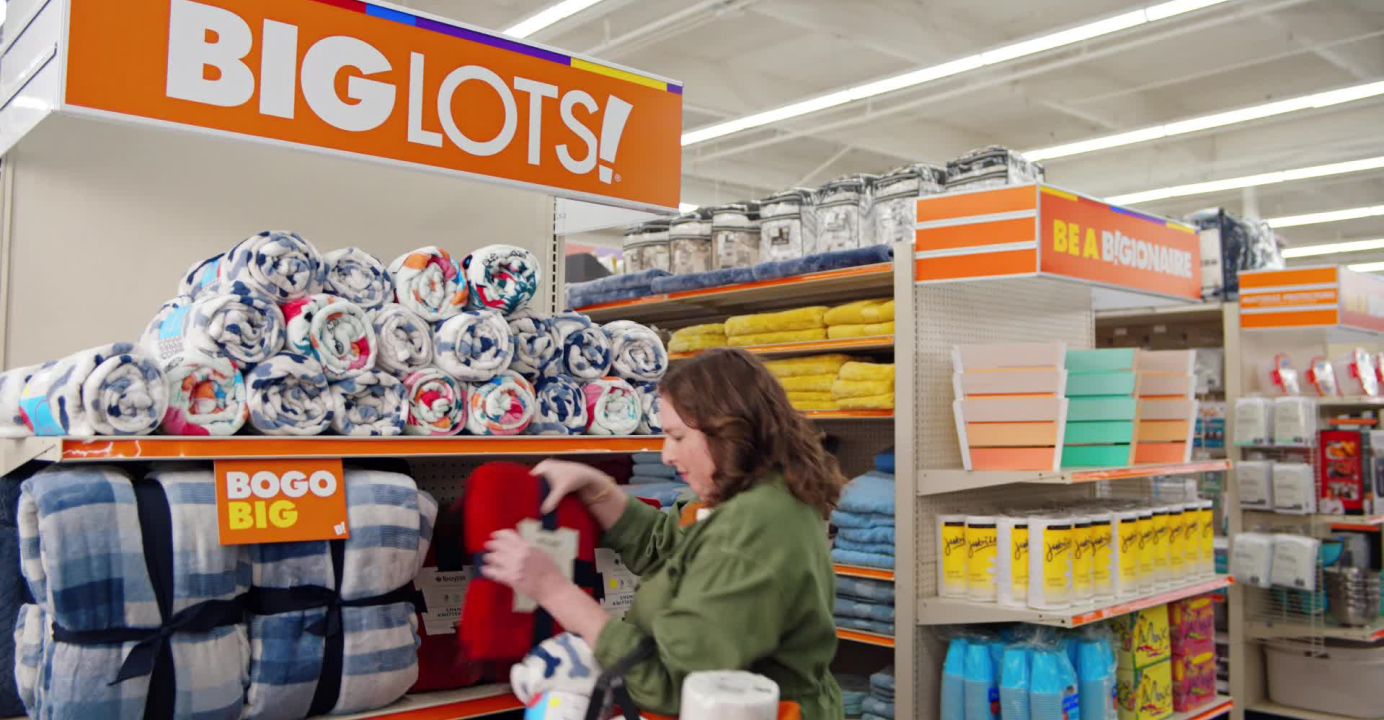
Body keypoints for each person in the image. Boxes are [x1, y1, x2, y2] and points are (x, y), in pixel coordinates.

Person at [481, 348, 847, 720]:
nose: (666, 455)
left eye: (676, 436)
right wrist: (597, 487)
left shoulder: (752, 530)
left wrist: (554, 591)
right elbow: (670, 546)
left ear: (727, 433)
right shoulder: (747, 496)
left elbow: (673, 684)